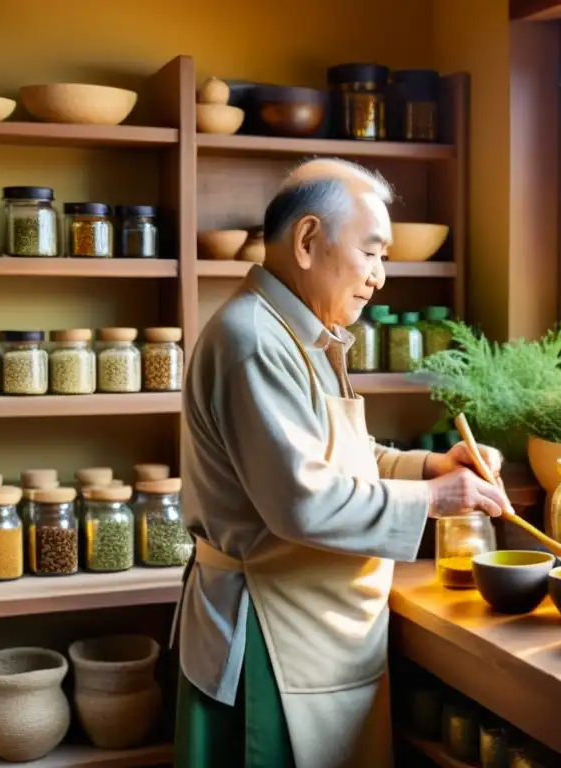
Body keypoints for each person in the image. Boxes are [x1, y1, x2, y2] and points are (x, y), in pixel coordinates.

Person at [173, 157, 507, 768]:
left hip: (313, 619)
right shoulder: (253, 341)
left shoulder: (294, 330)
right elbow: (303, 502)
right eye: (372, 252)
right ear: (307, 240)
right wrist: (437, 502)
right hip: (271, 633)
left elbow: (341, 456)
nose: (380, 277)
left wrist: (430, 467)